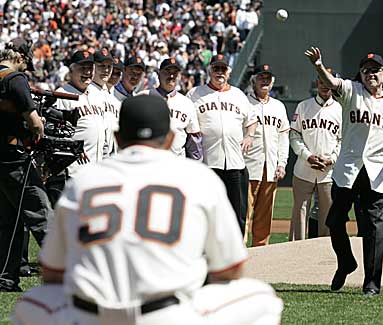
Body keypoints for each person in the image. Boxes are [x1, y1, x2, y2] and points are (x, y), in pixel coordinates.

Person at [12, 95, 283, 325]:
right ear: (169, 139)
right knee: (262, 299)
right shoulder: (198, 178)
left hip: (91, 317)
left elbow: (53, 273)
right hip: (166, 315)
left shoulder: (84, 180)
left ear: (118, 137)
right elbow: (231, 269)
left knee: (31, 303)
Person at [304, 47, 383, 296]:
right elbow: (332, 82)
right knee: (334, 221)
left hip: (377, 171)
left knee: (374, 226)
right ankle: (346, 262)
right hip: (348, 168)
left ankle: (372, 283)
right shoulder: (352, 91)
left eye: (374, 70)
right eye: (365, 70)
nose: (370, 74)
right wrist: (319, 65)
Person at [0, 38, 52, 292]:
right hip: (13, 157)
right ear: (20, 57)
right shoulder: (15, 79)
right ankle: (68, 275)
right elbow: (34, 122)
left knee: (8, 221)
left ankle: (6, 278)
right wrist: (39, 129)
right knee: (41, 213)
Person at [187, 54, 257, 236]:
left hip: (235, 163)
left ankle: (238, 253)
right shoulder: (195, 94)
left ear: (229, 72)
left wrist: (249, 135)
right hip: (208, 163)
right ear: (209, 71)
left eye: (223, 69)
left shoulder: (238, 95)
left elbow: (251, 120)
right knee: (208, 212)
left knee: (238, 213)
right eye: (216, 68)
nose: (219, 72)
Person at [289, 70, 342, 240]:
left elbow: (343, 140)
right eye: (321, 81)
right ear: (317, 83)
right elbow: (294, 135)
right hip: (304, 168)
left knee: (327, 217)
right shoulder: (303, 106)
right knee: (299, 213)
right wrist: (307, 155)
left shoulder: (341, 109)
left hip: (329, 171)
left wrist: (332, 159)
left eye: (328, 82)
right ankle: (295, 252)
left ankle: (324, 253)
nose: (325, 85)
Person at [244, 64, 290, 246]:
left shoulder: (278, 106)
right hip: (248, 165)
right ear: (253, 80)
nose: (265, 81)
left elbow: (283, 137)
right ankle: (240, 250)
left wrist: (282, 163)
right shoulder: (243, 102)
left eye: (268, 78)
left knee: (265, 215)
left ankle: (261, 251)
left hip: (270, 167)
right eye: (261, 77)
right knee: (244, 212)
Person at [55, 50, 107, 179]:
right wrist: (72, 148)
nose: (87, 72)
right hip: (74, 169)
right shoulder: (61, 95)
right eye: (82, 68)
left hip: (98, 168)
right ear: (71, 71)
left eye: (90, 68)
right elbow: (54, 134)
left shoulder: (97, 94)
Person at [139, 58, 203, 159]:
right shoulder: (142, 97)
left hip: (176, 165)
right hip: (148, 163)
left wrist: (196, 166)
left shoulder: (187, 103)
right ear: (159, 74)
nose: (171, 76)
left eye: (175, 73)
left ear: (180, 76)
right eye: (167, 72)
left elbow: (194, 140)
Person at [88, 48, 120, 157]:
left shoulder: (112, 98)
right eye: (102, 66)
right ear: (93, 67)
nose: (106, 70)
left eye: (109, 67)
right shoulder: (86, 92)